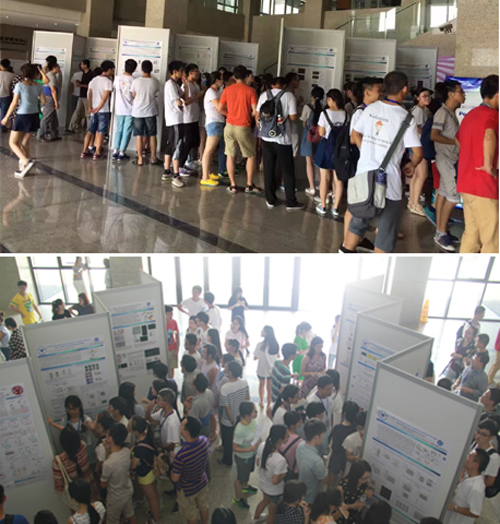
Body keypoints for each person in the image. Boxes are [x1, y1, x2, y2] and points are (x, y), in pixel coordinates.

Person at [344, 71, 423, 254]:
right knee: (386, 234)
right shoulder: (406, 118)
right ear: (405, 90)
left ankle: (345, 253)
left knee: (357, 223)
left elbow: (355, 133)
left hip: (364, 177)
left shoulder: (370, 109)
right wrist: (412, 165)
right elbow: (418, 153)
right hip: (389, 184)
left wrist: (367, 152)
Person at [456, 74, 499, 253]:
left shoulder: (470, 115)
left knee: (471, 235)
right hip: (483, 185)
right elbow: (489, 135)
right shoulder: (493, 115)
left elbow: (457, 139)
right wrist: (488, 165)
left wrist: (471, 156)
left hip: (466, 183)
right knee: (492, 239)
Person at [341, 76, 383, 253]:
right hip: (360, 163)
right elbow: (353, 137)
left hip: (369, 164)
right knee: (355, 204)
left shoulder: (374, 111)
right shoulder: (360, 112)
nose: (382, 94)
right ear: (367, 92)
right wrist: (368, 148)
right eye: (379, 90)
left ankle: (358, 238)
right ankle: (347, 240)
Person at [256, 76, 303, 211]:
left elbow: (258, 115)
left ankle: (270, 199)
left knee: (268, 168)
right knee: (287, 170)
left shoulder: (264, 95)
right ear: (284, 85)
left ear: (272, 85)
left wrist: (263, 130)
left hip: (267, 138)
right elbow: (293, 117)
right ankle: (291, 201)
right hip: (283, 139)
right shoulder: (289, 96)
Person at [431, 79, 465, 252]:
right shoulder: (442, 113)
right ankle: (441, 233)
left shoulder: (450, 113)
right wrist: (455, 142)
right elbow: (434, 135)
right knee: (453, 196)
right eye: (460, 92)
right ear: (451, 94)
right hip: (446, 160)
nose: (463, 95)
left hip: (450, 160)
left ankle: (441, 231)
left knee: (444, 194)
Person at [217, 65, 262, 195]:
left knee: (230, 155)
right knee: (250, 155)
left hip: (229, 125)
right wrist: (247, 115)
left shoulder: (227, 90)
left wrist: (230, 114)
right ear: (246, 76)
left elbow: (220, 108)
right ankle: (249, 185)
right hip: (243, 126)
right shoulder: (250, 91)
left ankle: (233, 185)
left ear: (234, 76)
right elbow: (255, 111)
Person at [1, 64, 47, 178]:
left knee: (13, 143)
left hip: (22, 115)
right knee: (25, 143)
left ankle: (25, 160)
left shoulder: (20, 85)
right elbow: (44, 101)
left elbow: (14, 103)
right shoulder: (38, 85)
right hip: (34, 115)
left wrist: (6, 117)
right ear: (35, 74)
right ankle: (23, 168)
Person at [170, 417, 211, 524]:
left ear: (187, 433)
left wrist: (175, 461)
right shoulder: (204, 440)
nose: (179, 427)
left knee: (191, 513)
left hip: (187, 489)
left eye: (181, 425)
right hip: (202, 481)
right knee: (204, 506)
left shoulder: (181, 455)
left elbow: (174, 478)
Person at [314, 88, 347, 218]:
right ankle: (336, 208)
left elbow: (321, 133)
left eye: (328, 99)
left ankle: (323, 205)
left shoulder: (325, 114)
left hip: (326, 147)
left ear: (332, 100)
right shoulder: (346, 114)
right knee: (338, 180)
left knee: (324, 178)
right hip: (341, 149)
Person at [100, 423, 137, 524]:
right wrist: (108, 449)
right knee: (130, 514)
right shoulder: (126, 451)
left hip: (115, 497)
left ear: (111, 439)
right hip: (127, 490)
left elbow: (103, 484)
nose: (106, 436)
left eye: (107, 435)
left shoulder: (108, 464)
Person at [253, 425, 289, 524]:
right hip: (274, 491)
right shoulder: (280, 460)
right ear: (280, 440)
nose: (288, 437)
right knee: (272, 512)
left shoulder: (262, 445)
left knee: (264, 501)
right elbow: (275, 481)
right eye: (287, 435)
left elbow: (258, 463)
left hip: (264, 484)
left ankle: (255, 518)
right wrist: (284, 474)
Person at [52, 426, 99, 502]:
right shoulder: (83, 446)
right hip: (90, 485)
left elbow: (59, 488)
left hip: (76, 494)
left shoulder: (58, 462)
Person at [47, 394, 97, 465]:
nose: (71, 411)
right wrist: (52, 424)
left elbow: (95, 432)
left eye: (74, 409)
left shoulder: (85, 419)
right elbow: (65, 431)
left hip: (86, 450)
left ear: (79, 407)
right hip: (72, 452)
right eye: (69, 409)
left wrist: (93, 428)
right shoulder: (65, 420)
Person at [129, 416, 161, 524]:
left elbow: (133, 465)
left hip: (144, 475)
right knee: (154, 494)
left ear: (135, 431)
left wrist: (130, 455)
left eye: (130, 425)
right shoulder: (147, 437)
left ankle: (156, 520)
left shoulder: (140, 448)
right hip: (150, 470)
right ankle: (156, 513)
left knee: (151, 498)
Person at [444, 449, 489, 523]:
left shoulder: (476, 488)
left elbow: (475, 513)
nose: (466, 458)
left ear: (475, 465)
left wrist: (454, 508)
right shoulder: (467, 476)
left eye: (469, 456)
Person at [82, 60, 114, 161]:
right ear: (109, 69)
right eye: (112, 70)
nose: (113, 72)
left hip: (93, 109)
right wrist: (99, 108)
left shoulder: (94, 80)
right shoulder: (108, 82)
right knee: (101, 132)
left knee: (90, 130)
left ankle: (84, 151)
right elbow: (105, 98)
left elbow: (90, 94)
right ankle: (97, 152)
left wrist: (90, 107)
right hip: (103, 110)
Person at [219, 361, 250, 467]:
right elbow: (247, 398)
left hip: (229, 421)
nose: (225, 368)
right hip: (241, 418)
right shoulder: (244, 382)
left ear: (230, 372)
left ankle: (227, 461)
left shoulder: (225, 388)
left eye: (227, 367)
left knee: (228, 441)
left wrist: (232, 420)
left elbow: (226, 407)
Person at [408, 86, 433, 216]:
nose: (427, 98)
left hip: (415, 145)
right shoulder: (418, 111)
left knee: (416, 175)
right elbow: (416, 128)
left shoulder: (423, 110)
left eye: (428, 96)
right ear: (417, 98)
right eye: (424, 96)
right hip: (419, 145)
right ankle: (416, 203)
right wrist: (428, 134)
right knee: (422, 174)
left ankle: (412, 201)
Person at [162, 60, 187, 187]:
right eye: (181, 71)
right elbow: (179, 101)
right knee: (176, 146)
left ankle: (167, 171)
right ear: (175, 71)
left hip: (176, 119)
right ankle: (176, 175)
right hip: (175, 119)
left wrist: (185, 84)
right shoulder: (170, 84)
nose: (183, 73)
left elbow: (184, 95)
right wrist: (182, 104)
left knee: (171, 144)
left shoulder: (175, 85)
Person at [131, 60, 160, 166]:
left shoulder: (136, 81)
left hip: (137, 112)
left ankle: (140, 159)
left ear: (141, 69)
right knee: (152, 135)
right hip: (150, 111)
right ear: (151, 69)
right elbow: (156, 93)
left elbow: (133, 94)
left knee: (139, 135)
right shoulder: (155, 82)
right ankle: (153, 158)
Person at [232, 401, 260, 508]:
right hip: (243, 458)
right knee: (240, 478)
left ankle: (245, 486)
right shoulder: (240, 430)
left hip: (251, 454)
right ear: (247, 415)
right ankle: (237, 498)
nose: (257, 412)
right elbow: (235, 447)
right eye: (254, 411)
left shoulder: (252, 421)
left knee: (247, 473)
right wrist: (248, 450)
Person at [296, 419, 328, 504]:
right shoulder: (317, 461)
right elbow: (325, 480)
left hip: (301, 490)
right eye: (322, 434)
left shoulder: (300, 445)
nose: (323, 437)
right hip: (312, 496)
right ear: (316, 437)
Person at [300, 86, 325, 196]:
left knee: (309, 162)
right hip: (320, 137)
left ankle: (312, 187)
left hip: (309, 137)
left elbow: (304, 123)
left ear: (312, 96)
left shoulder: (307, 107)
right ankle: (321, 185)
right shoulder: (324, 108)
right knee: (319, 162)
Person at [329, 401, 359, 486]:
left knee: (331, 485)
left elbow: (334, 446)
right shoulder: (355, 431)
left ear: (344, 413)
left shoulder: (338, 428)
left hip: (335, 461)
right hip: (347, 463)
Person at [181, 63, 205, 172]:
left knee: (194, 141)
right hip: (187, 117)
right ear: (190, 73)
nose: (198, 73)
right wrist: (198, 95)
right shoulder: (186, 85)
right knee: (188, 141)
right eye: (196, 71)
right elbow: (186, 101)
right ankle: (181, 164)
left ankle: (190, 161)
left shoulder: (195, 85)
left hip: (195, 117)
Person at [147, 388, 181, 464]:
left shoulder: (172, 423)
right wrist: (148, 410)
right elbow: (150, 419)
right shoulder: (162, 412)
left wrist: (162, 448)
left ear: (166, 403)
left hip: (172, 456)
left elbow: (175, 444)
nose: (156, 401)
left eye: (159, 399)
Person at [112, 58, 137, 161]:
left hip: (119, 108)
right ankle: (122, 152)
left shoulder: (117, 78)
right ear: (134, 69)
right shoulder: (134, 80)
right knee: (127, 131)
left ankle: (115, 150)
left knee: (119, 129)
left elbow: (114, 89)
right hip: (130, 109)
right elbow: (135, 95)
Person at [255, 326, 280, 407]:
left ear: (266, 333)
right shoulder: (275, 345)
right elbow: (278, 356)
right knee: (269, 388)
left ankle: (261, 401)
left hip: (262, 368)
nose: (261, 331)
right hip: (272, 369)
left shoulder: (260, 345)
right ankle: (269, 404)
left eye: (262, 331)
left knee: (261, 384)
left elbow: (255, 357)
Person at [471, 419, 500, 490]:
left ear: (491, 437)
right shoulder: (475, 443)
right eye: (478, 431)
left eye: (484, 435)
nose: (478, 436)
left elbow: (490, 481)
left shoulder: (494, 457)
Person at [184, 372, 214, 438]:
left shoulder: (196, 404)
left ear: (194, 386)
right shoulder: (209, 392)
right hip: (207, 425)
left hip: (199, 429)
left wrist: (187, 407)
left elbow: (191, 419)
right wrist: (195, 398)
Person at [200, 344, 220, 440]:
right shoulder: (204, 362)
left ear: (210, 355)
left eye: (204, 352)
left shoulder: (213, 368)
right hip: (204, 390)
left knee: (211, 413)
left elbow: (209, 383)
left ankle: (213, 432)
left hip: (210, 392)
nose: (202, 353)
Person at [69, 60, 93, 133]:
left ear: (85, 65)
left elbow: (90, 86)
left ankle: (89, 129)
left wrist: (81, 85)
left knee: (87, 113)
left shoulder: (91, 74)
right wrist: (80, 83)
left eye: (82, 64)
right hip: (81, 95)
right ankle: (71, 127)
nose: (81, 65)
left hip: (87, 96)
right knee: (77, 111)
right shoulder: (84, 73)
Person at [39, 59, 61, 141]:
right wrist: (56, 102)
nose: (59, 68)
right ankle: (41, 135)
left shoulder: (50, 75)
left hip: (48, 97)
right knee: (46, 117)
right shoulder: (51, 76)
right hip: (49, 98)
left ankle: (54, 134)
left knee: (53, 118)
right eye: (58, 67)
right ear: (54, 68)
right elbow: (53, 90)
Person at [342, 411, 367, 477]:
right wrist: (356, 458)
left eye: (364, 428)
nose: (362, 432)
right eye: (360, 429)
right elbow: (348, 457)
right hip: (351, 473)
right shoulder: (351, 439)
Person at [280, 410, 303, 479]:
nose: (301, 422)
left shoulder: (280, 435)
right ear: (292, 426)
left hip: (282, 468)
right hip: (294, 471)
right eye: (299, 421)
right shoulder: (299, 441)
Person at [0, 59, 15, 132]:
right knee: (4, 112)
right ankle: (2, 127)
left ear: (0, 65)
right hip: (6, 95)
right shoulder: (12, 75)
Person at [165, 305, 180, 378]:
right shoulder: (161, 324)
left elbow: (176, 335)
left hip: (173, 348)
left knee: (172, 368)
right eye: (168, 314)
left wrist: (177, 349)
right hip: (165, 350)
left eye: (171, 314)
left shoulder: (174, 322)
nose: (170, 316)